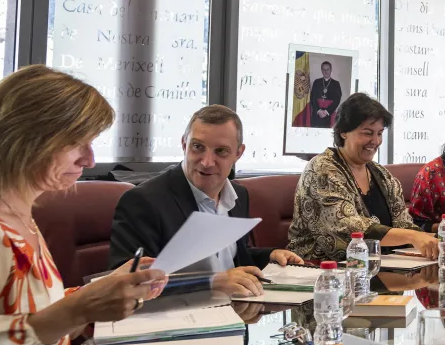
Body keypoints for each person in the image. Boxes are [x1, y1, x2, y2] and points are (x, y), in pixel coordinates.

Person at [0, 66, 165, 345]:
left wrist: (99, 295)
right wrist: (78, 309)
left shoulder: (22, 218)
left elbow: (32, 323)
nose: (90, 159)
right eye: (77, 142)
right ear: (27, 138)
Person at [111, 105, 303, 297]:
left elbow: (229, 258)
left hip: (236, 310)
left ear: (238, 153)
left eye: (221, 151)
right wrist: (212, 282)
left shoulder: (238, 195)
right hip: (181, 319)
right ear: (184, 144)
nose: (207, 162)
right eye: (197, 147)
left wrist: (269, 256)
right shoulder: (144, 201)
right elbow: (128, 283)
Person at [289, 93, 439, 261]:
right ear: (344, 132)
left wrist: (435, 241)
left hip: (380, 268)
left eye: (380, 133)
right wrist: (411, 237)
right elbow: (348, 228)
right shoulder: (322, 170)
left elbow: (403, 224)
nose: (375, 141)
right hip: (323, 272)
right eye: (367, 133)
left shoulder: (382, 175)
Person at [309, 60, 342, 129]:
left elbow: (337, 100)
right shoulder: (317, 82)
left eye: (327, 69)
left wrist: (327, 112)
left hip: (329, 114)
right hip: (316, 114)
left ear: (331, 70)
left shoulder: (336, 84)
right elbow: (313, 97)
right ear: (321, 70)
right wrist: (318, 111)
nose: (325, 71)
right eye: (323, 69)